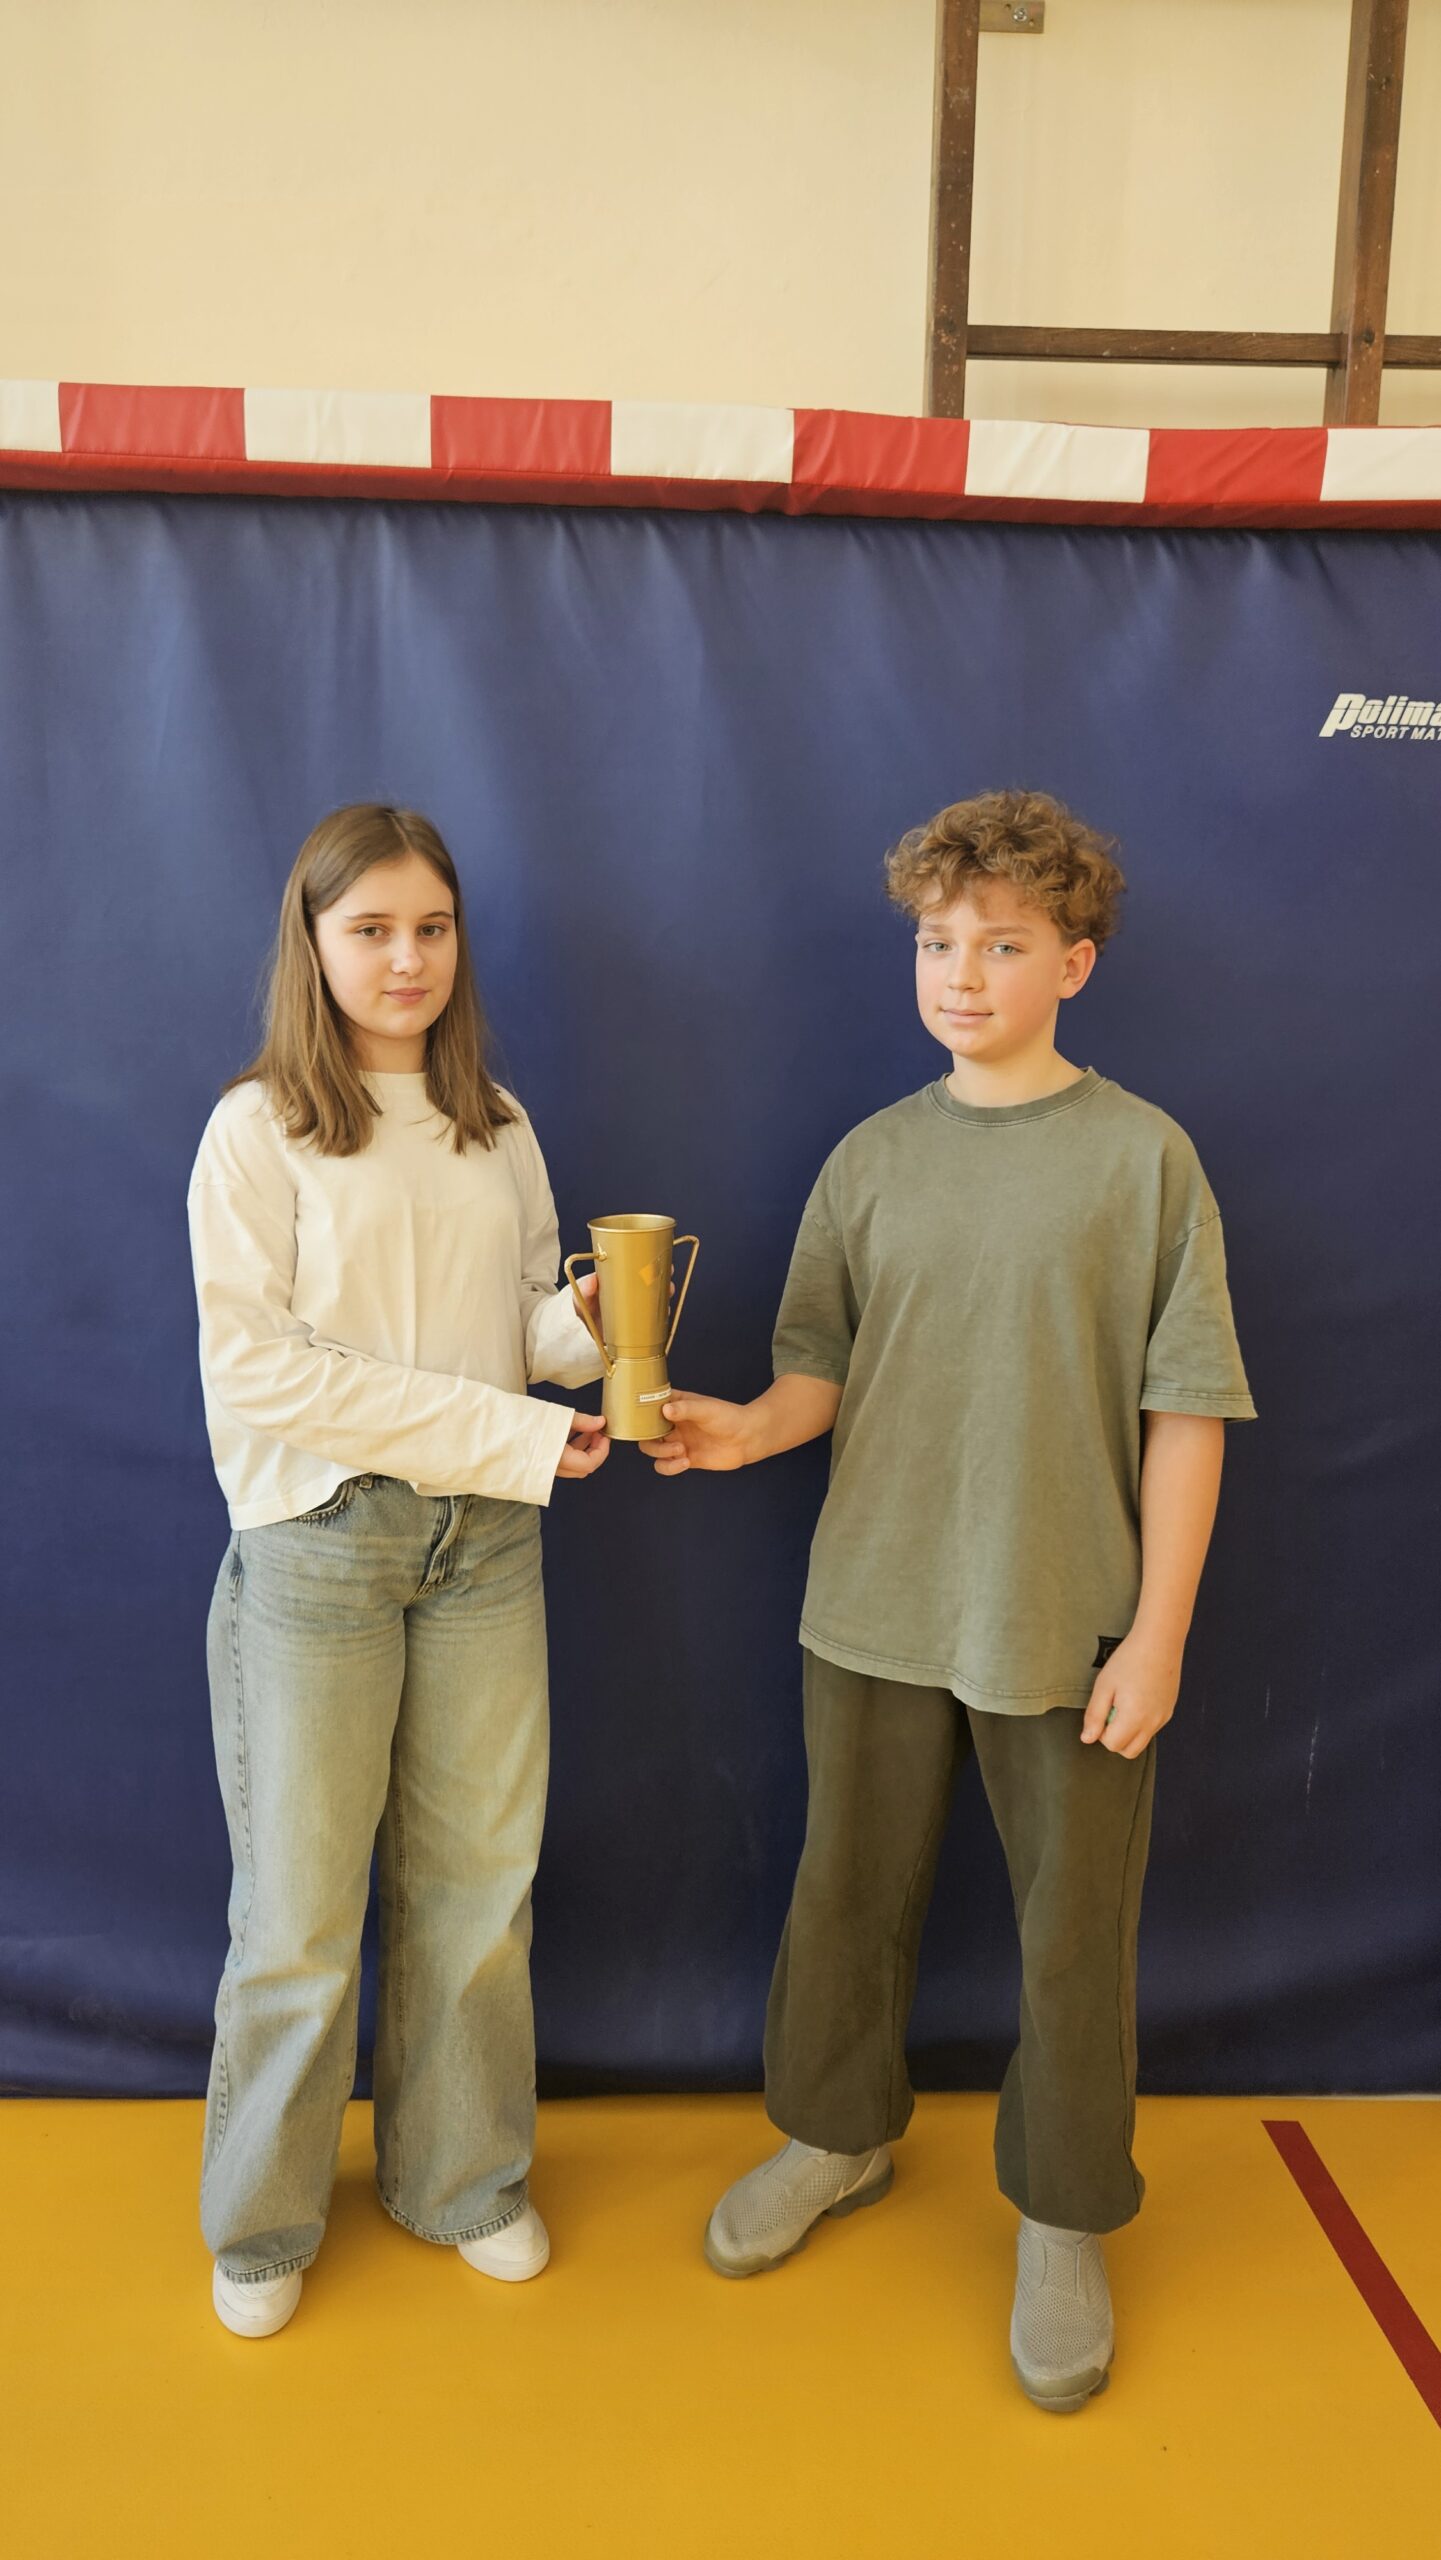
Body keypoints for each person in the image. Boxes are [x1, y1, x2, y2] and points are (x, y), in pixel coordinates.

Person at [640, 788, 1256, 2412]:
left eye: (1000, 945)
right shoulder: (870, 1158)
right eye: (935, 944)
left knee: (1072, 1932)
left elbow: (1186, 1411)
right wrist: (736, 1431)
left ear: (1075, 962)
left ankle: (1063, 2210)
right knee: (842, 1893)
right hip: (871, 1603)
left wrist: (1158, 1634)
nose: (961, 975)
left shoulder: (1143, 1160)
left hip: (1067, 1618)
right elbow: (816, 1372)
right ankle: (832, 2136)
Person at [187, 803, 609, 2339]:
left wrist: (595, 1327)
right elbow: (264, 1375)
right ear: (313, 944)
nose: (406, 957)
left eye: (431, 927)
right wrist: (512, 1428)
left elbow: (519, 1326)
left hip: (485, 1544)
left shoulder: (496, 1119)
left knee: (478, 1891)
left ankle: (462, 2181)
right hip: (322, 1547)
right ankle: (262, 2221)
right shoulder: (258, 1130)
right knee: (300, 1912)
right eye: (370, 929)